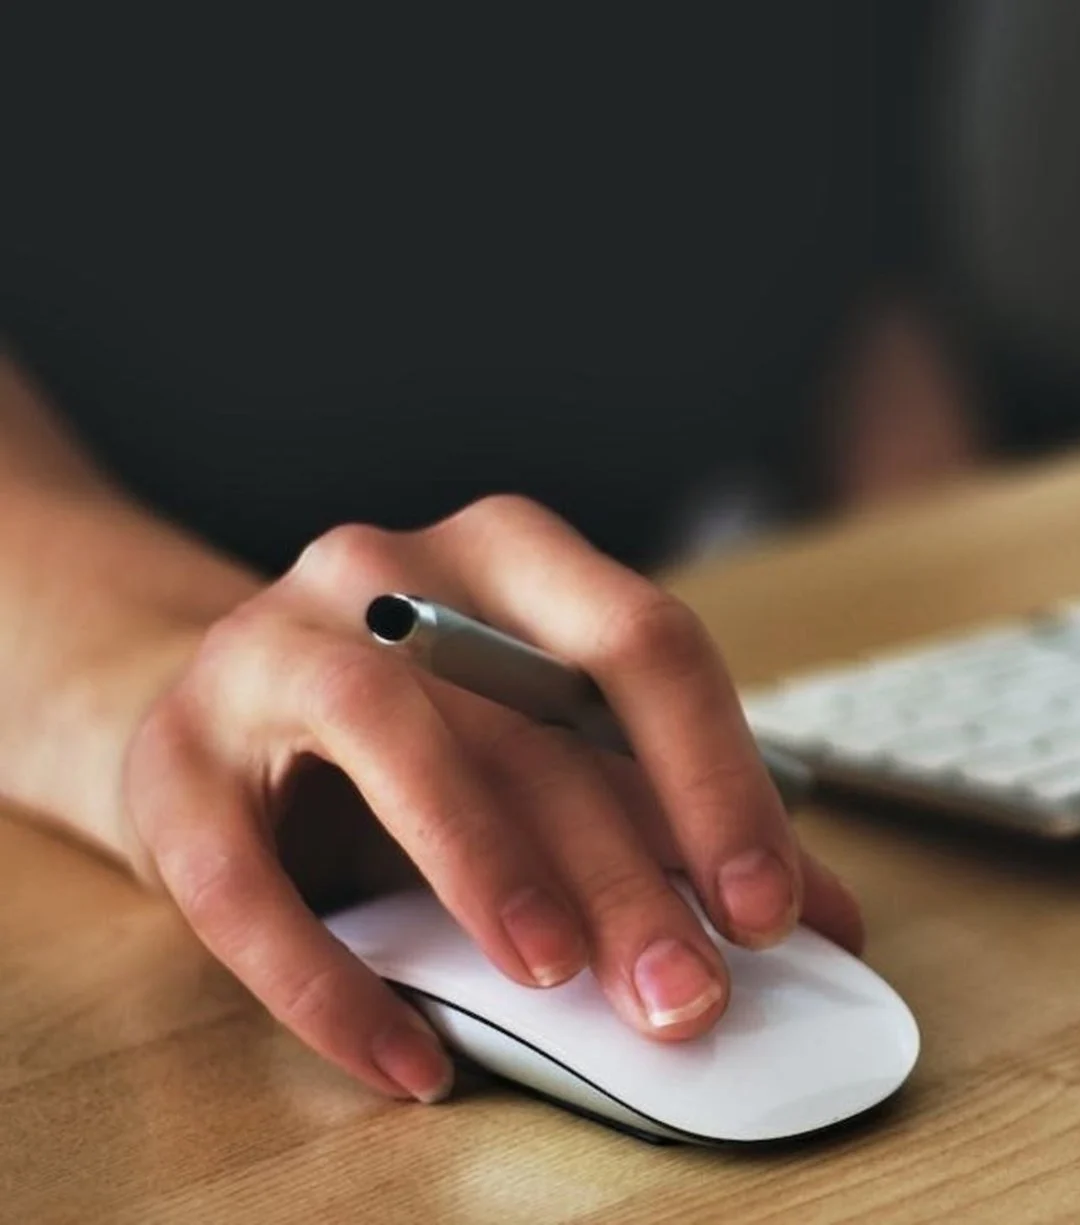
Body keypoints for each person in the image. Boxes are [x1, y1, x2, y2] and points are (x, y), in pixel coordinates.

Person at [0, 9, 965, 1104]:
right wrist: (160, 683)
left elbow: (873, 282)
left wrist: (945, 662)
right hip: (181, 635)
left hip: (642, 689)